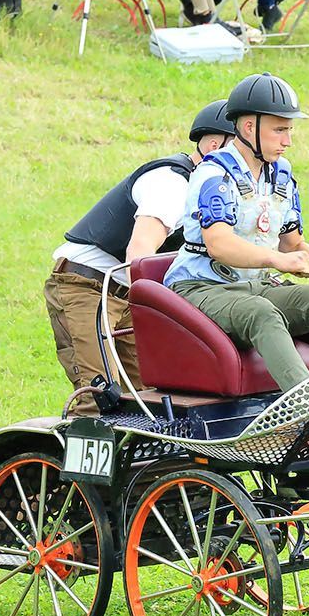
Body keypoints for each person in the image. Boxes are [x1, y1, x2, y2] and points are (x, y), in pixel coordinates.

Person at [163, 72, 309, 392]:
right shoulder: (214, 173)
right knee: (262, 313)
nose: (288, 140)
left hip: (255, 284)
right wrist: (278, 261)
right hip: (200, 288)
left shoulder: (282, 174)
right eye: (280, 129)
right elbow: (219, 244)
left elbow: (291, 242)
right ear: (249, 127)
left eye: (290, 130)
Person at [44, 101, 236, 412]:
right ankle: (69, 458)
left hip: (130, 293)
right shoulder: (172, 183)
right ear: (215, 146)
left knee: (149, 399)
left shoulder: (215, 192)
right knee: (99, 397)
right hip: (87, 286)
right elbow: (140, 253)